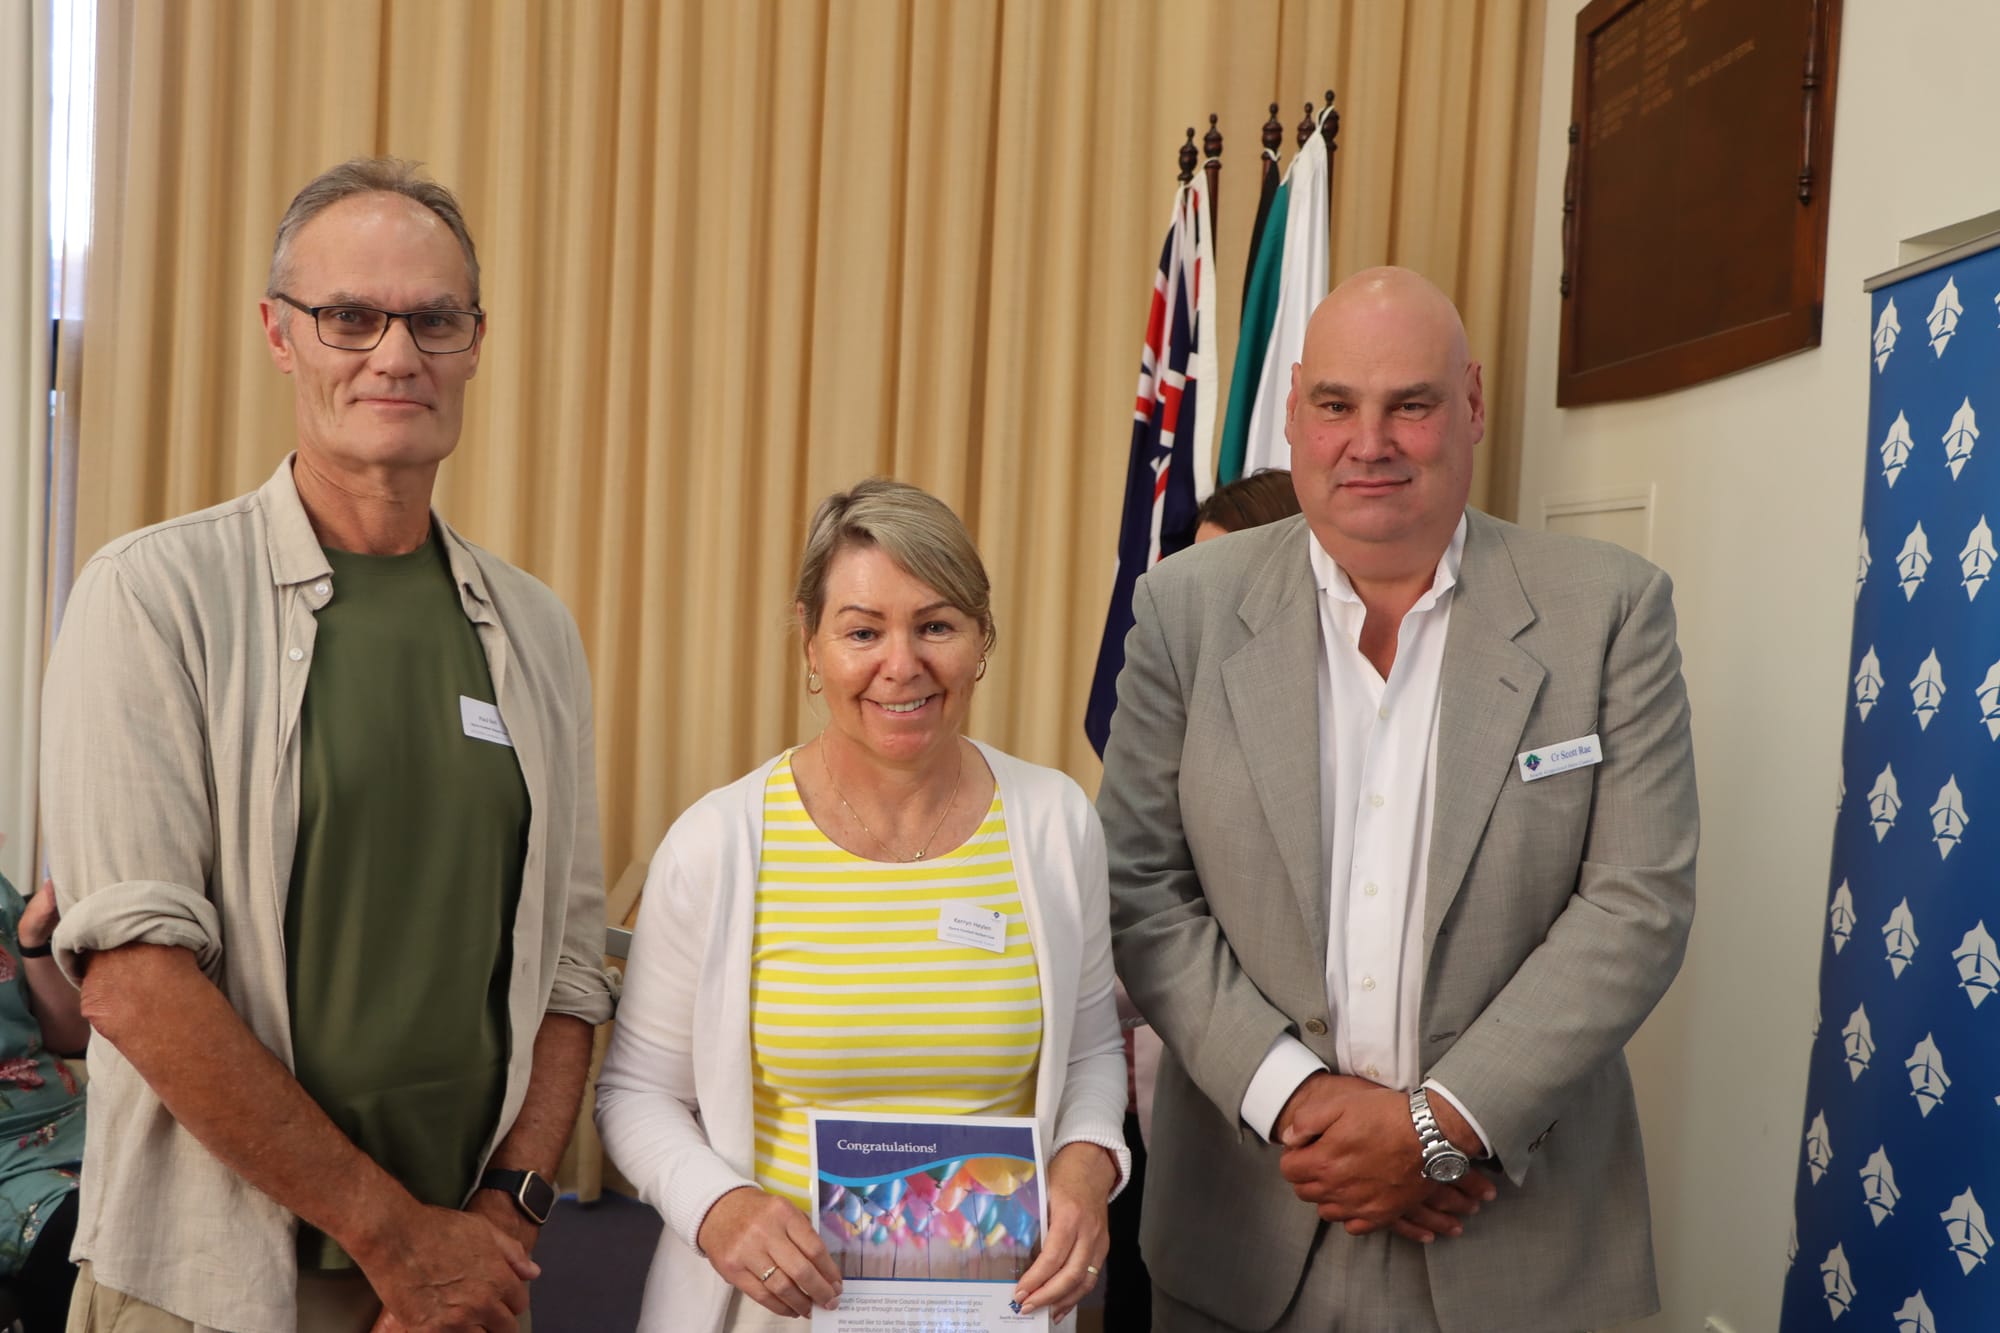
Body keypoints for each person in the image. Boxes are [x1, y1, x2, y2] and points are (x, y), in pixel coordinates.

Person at [40, 157, 614, 1333]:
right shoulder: (152, 597)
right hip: (208, 1285)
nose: (395, 354)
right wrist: (393, 1236)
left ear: (474, 340)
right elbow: (136, 983)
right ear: (279, 335)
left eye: (433, 318)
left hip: (454, 1288)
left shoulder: (536, 631)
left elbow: (568, 966)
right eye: (349, 316)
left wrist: (498, 1222)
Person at [1098, 267, 1698, 1332]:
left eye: (1407, 405)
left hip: (1513, 1235)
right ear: (1293, 411)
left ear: (1467, 404)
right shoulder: (1184, 608)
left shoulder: (1607, 610)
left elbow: (1635, 904)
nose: (1366, 441)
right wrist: (1299, 1099)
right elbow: (1140, 885)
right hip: (1246, 1227)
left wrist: (1439, 1127)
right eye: (1335, 405)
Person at [597, 478, 1129, 1332]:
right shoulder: (720, 842)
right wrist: (719, 1207)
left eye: (936, 625)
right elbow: (633, 1091)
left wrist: (1084, 1164)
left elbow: (1095, 1048)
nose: (901, 663)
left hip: (996, 1311)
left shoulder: (1055, 822)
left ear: (981, 640)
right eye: (862, 630)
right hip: (774, 1314)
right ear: (810, 644)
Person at [1103, 468, 1303, 1332]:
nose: (1203, 607)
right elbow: (1135, 915)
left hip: (1337, 1153)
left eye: (1228, 578)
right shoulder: (1171, 716)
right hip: (1174, 1143)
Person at [0, 874, 88, 1332]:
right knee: (83, 1235)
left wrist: (32, 942)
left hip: (71, 1118)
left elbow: (70, 1037)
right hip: (9, 1168)